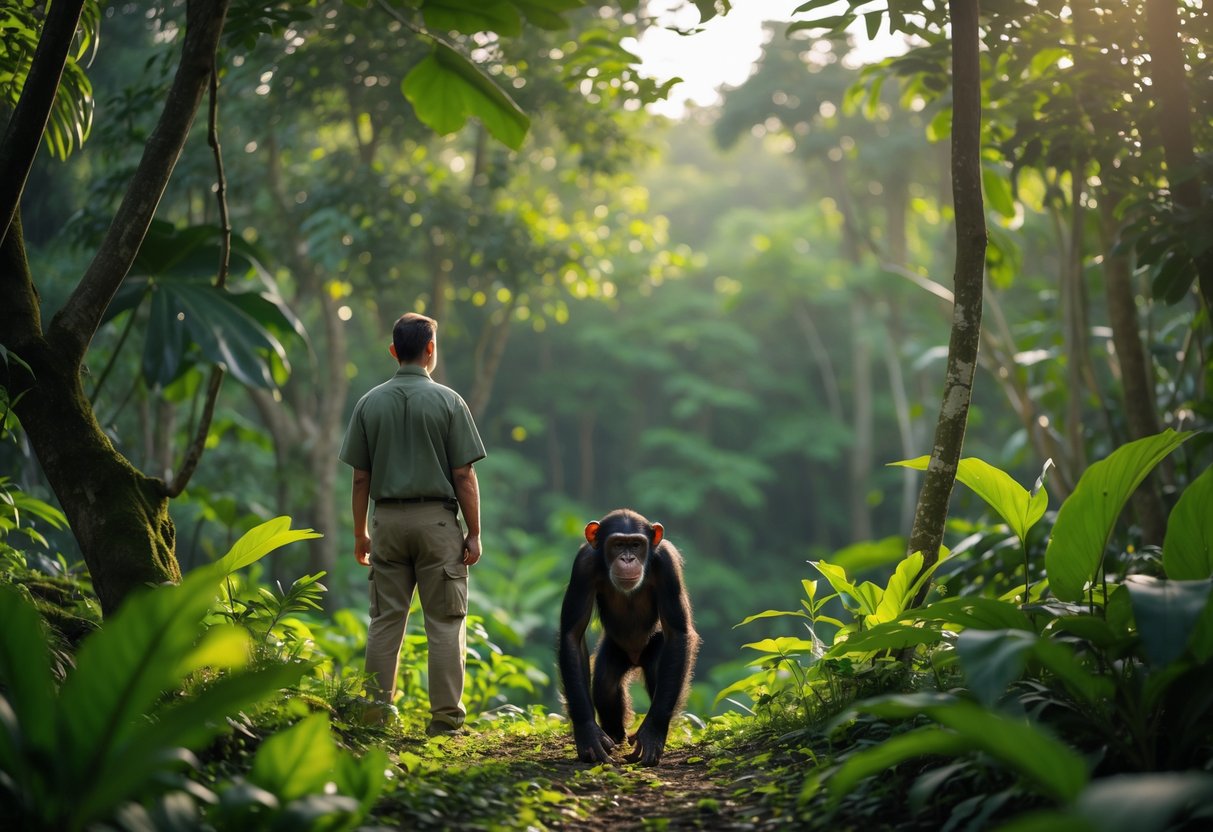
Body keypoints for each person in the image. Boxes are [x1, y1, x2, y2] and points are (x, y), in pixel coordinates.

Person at [338, 312, 485, 735]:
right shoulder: (449, 402)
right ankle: (445, 721)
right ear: (430, 350)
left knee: (386, 621)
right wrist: (473, 532)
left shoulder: (368, 403)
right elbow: (464, 476)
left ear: (393, 351)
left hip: (386, 522)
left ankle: (373, 718)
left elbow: (360, 477)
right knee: (443, 622)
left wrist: (359, 532)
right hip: (437, 523)